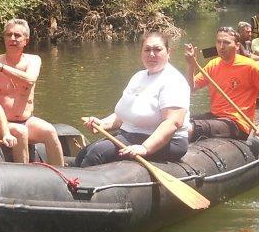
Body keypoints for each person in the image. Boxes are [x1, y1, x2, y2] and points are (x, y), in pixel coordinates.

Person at [78, 31, 190, 166]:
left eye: (157, 49)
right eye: (147, 50)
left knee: (97, 154)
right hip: (130, 135)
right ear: (141, 53)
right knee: (83, 153)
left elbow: (172, 123)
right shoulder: (138, 77)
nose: (152, 54)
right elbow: (123, 115)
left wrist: (145, 148)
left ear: (168, 52)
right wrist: (102, 124)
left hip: (168, 141)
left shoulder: (173, 80)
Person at [0, 18, 64, 166]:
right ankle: (24, 175)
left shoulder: (33, 60)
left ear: (26, 40)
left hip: (27, 120)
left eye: (17, 35)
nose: (12, 38)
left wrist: (1, 68)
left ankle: (63, 175)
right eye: (8, 35)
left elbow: (29, 80)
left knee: (49, 130)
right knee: (20, 132)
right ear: (4, 38)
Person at [184, 27, 259, 141]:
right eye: (219, 42)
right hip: (214, 117)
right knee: (180, 121)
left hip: (236, 123)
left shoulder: (250, 66)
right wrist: (191, 65)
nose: (221, 46)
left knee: (187, 129)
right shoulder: (213, 65)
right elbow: (190, 88)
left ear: (237, 46)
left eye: (226, 42)